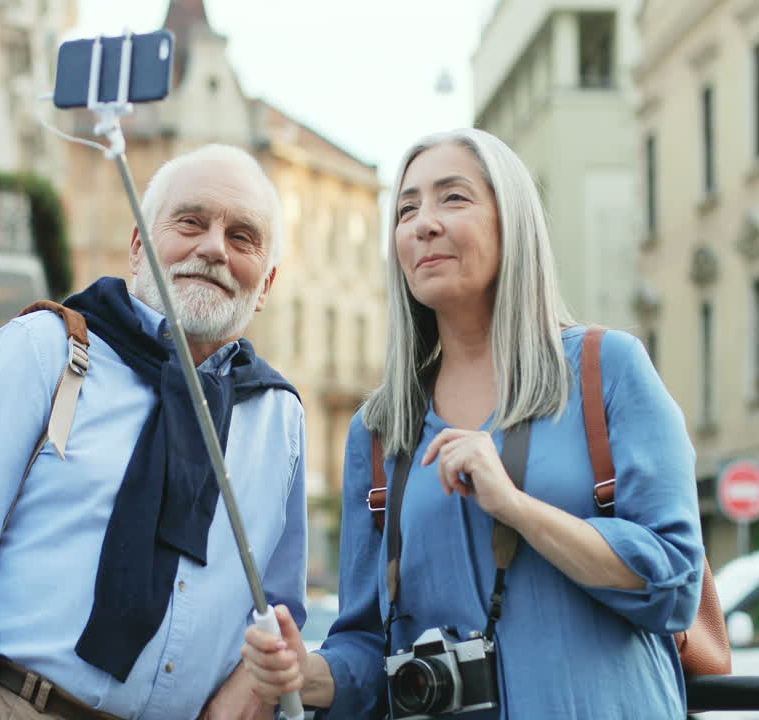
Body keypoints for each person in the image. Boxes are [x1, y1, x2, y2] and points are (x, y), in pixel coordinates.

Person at [241, 128, 704, 719]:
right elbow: (368, 644)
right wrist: (308, 674)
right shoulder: (379, 430)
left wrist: (516, 507)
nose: (423, 224)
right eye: (406, 209)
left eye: (453, 198)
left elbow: (675, 586)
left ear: (512, 222)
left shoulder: (606, 368)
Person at [0, 143, 308, 720]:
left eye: (242, 237)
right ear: (138, 247)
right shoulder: (43, 351)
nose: (213, 248)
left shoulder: (279, 416)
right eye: (190, 222)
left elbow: (277, 606)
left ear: (266, 284)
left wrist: (247, 691)